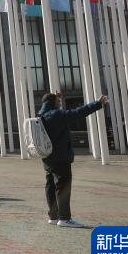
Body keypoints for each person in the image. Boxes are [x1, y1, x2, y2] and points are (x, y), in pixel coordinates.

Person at [37, 91, 107, 228]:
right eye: (58, 101)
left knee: (50, 186)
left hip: (47, 157)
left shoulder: (40, 116)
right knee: (63, 186)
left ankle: (53, 216)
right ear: (52, 103)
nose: (60, 103)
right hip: (60, 157)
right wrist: (97, 104)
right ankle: (64, 218)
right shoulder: (56, 115)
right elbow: (78, 113)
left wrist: (56, 98)